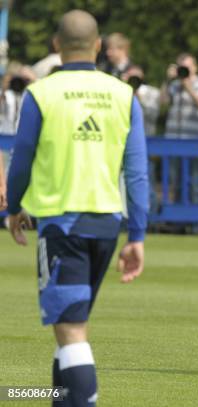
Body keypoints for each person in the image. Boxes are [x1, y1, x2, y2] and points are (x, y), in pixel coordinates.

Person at [5, 10, 148, 406]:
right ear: (99, 45)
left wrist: (13, 207)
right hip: (106, 227)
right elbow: (137, 173)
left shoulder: (41, 93)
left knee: (72, 333)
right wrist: (136, 235)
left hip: (63, 226)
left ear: (55, 46)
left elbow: (22, 159)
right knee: (70, 329)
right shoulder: (123, 95)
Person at [162, 53, 198, 138]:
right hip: (172, 137)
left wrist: (187, 86)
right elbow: (162, 101)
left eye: (187, 67)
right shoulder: (174, 84)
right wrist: (167, 80)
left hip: (193, 138)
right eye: (182, 67)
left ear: (195, 67)